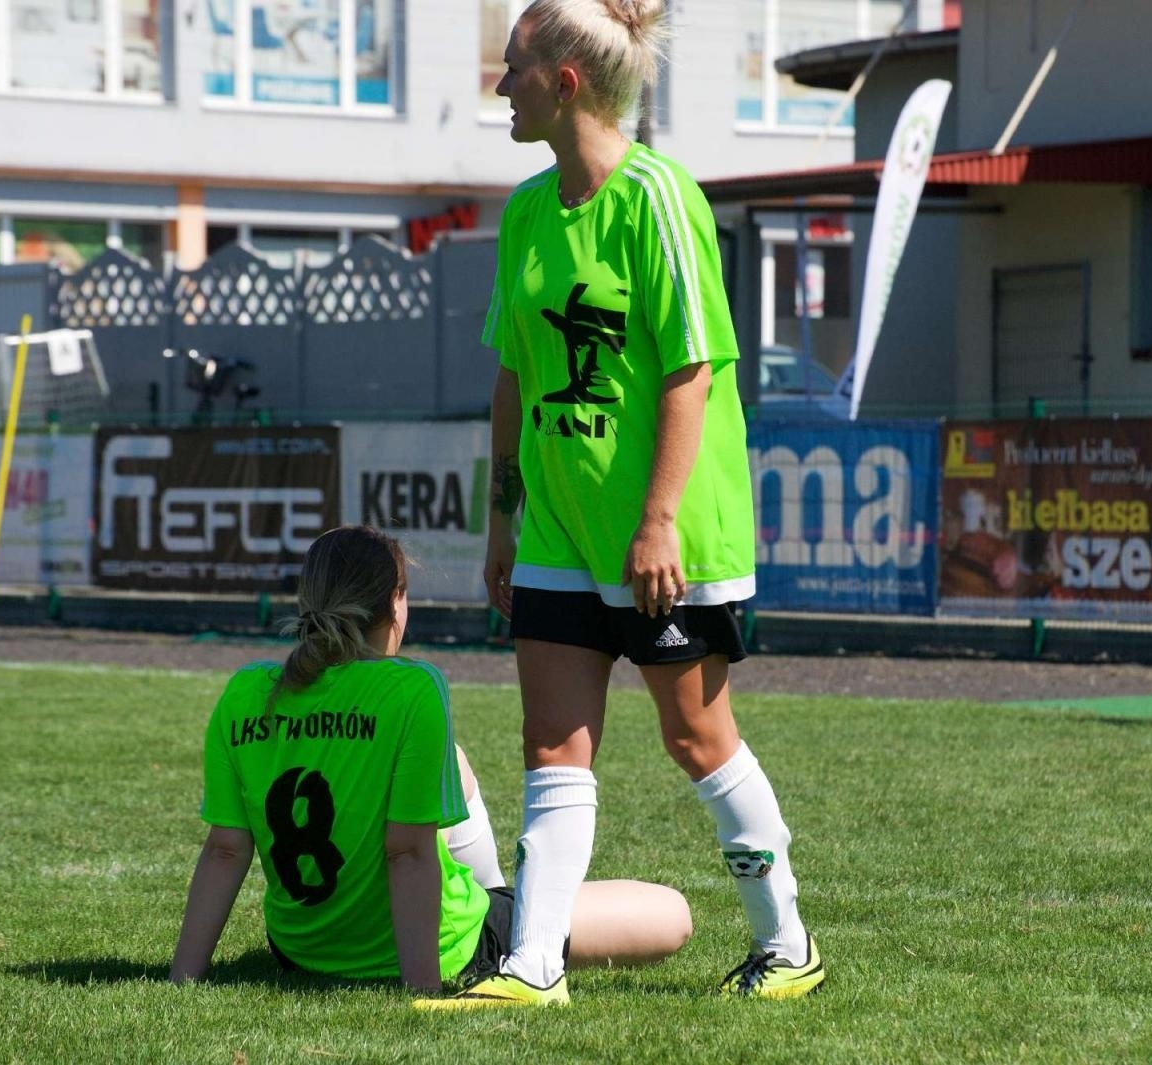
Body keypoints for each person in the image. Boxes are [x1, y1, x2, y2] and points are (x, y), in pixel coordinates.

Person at [421, 0, 820, 1009]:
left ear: (563, 82)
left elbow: (693, 370)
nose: (497, 85)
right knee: (552, 747)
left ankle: (788, 947)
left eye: (510, 67)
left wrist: (658, 521)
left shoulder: (659, 198)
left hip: (667, 534)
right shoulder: (521, 213)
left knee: (696, 741)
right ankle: (532, 967)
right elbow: (511, 376)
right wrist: (502, 518)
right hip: (557, 527)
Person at [169, 524, 692, 990]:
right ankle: (496, 908)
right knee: (672, 914)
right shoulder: (411, 688)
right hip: (434, 945)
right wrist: (423, 987)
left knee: (452, 761)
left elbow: (225, 851)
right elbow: (407, 853)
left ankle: (492, 895)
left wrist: (183, 978)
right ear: (395, 603)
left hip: (301, 951)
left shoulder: (244, 690)